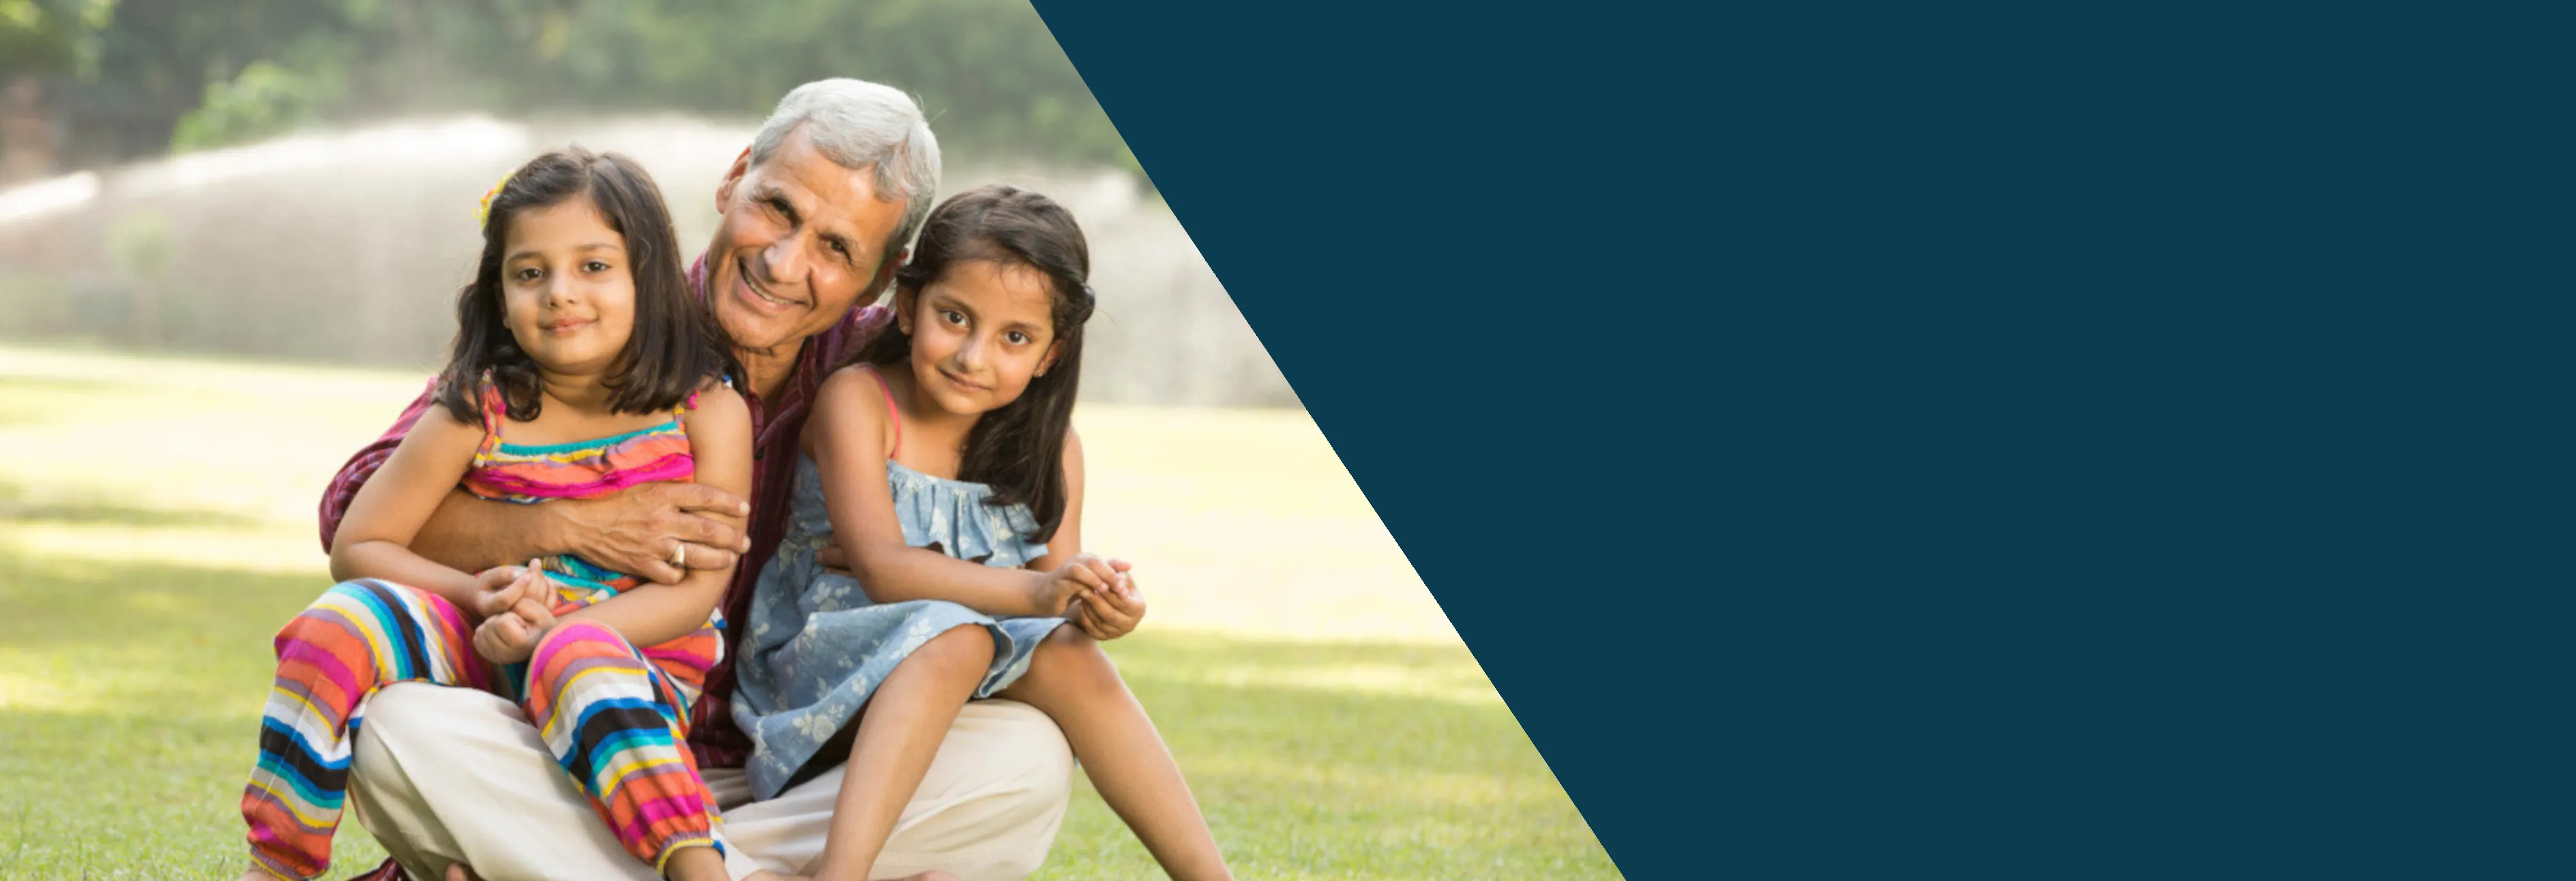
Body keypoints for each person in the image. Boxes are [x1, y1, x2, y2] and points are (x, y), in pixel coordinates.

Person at [316, 80, 1074, 881]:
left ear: (883, 280)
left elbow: (1021, 514)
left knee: (1026, 756)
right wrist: (572, 523)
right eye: (778, 209)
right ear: (735, 175)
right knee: (397, 725)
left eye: (836, 249)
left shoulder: (893, 377)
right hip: (577, 749)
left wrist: (914, 554)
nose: (786, 263)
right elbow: (352, 508)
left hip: (791, 778)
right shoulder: (597, 306)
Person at [243, 147, 752, 881]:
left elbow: (698, 593)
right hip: (489, 635)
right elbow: (360, 544)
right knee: (339, 620)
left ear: (650, 276)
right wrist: (475, 594)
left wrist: (558, 635)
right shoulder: (477, 406)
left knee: (575, 659)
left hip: (627, 657)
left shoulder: (706, 408)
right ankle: (276, 867)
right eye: (530, 272)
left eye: (594, 265)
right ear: (499, 290)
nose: (559, 293)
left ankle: (696, 872)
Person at [733, 185, 1233, 880]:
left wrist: (1104, 603)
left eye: (1015, 338)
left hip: (946, 677)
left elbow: (1058, 603)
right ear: (909, 306)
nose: (974, 355)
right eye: (956, 317)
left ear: (1051, 354)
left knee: (1070, 657)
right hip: (818, 671)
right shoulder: (860, 401)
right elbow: (882, 567)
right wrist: (1040, 590)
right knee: (959, 635)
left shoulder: (1053, 448)